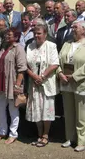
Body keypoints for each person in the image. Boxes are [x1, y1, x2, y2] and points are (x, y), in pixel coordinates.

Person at [57, 20, 85, 152]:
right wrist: (60, 73)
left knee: (81, 115)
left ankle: (81, 141)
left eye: (75, 27)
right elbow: (57, 61)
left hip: (81, 84)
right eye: (72, 27)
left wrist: (74, 76)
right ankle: (70, 138)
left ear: (83, 30)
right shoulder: (67, 43)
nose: (73, 29)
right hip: (66, 83)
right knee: (68, 113)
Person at [26, 19, 59, 147]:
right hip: (34, 83)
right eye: (35, 33)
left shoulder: (51, 46)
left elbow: (55, 64)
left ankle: (45, 135)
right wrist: (34, 76)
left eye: (39, 33)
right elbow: (25, 65)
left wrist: (42, 76)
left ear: (45, 34)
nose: (36, 35)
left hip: (46, 83)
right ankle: (39, 134)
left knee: (46, 110)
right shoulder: (30, 46)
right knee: (36, 109)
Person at [0, 27, 27, 144]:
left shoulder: (19, 49)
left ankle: (13, 134)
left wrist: (17, 86)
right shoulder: (3, 48)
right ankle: (2, 131)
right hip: (0, 83)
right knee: (0, 107)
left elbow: (22, 69)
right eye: (6, 35)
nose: (6, 37)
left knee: (13, 109)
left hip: (12, 84)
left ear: (16, 37)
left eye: (9, 35)